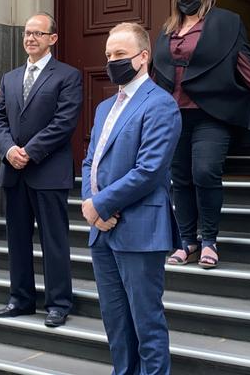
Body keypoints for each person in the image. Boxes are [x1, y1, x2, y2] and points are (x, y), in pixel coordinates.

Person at [152, 0, 250, 269]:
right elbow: (158, 71)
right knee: (179, 178)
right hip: (174, 116)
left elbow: (242, 57)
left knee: (205, 171)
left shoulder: (225, 22)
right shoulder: (168, 28)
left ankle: (209, 240)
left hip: (212, 113)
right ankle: (188, 242)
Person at [82, 22, 181, 375]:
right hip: (102, 231)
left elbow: (150, 170)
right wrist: (91, 206)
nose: (112, 62)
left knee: (146, 324)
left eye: (120, 55)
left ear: (143, 57)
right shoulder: (104, 107)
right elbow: (90, 160)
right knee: (116, 323)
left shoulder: (161, 104)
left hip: (140, 230)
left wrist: (101, 204)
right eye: (108, 55)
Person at [0, 12, 83, 327]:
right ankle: (20, 299)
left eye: (38, 34)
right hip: (14, 171)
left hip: (48, 170)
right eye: (27, 33)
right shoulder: (10, 78)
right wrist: (9, 150)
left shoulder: (67, 76)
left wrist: (30, 151)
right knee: (17, 239)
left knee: (53, 240)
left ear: (52, 39)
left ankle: (58, 303)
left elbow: (65, 122)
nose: (30, 38)